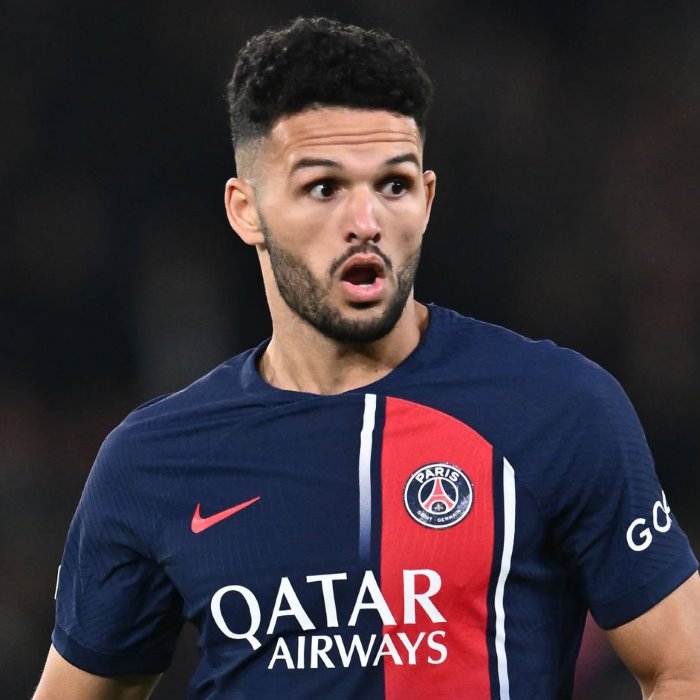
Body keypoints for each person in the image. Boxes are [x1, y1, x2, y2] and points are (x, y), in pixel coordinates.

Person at [34, 16, 700, 700]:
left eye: (394, 185)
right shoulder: (154, 461)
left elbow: (683, 668)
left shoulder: (558, 407)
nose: (366, 222)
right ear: (246, 211)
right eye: (324, 188)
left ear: (428, 199)